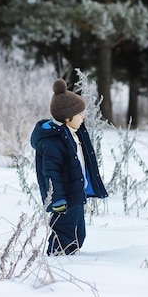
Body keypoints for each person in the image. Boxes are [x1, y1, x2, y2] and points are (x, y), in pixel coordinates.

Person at [30, 78, 108, 255]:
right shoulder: (52, 142)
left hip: (75, 191)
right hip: (63, 197)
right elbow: (50, 173)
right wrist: (57, 199)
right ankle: (57, 260)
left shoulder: (73, 133)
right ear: (67, 118)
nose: (83, 117)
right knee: (64, 233)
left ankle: (70, 256)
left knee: (78, 233)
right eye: (80, 114)